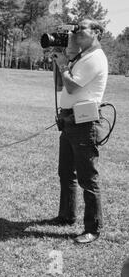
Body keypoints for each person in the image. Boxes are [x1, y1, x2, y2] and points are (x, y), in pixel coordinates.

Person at [52, 19, 108, 244]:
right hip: (69, 120)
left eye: (81, 28)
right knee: (66, 172)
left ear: (96, 32)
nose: (76, 32)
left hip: (85, 124)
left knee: (88, 178)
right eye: (75, 29)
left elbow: (73, 85)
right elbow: (62, 86)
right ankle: (66, 215)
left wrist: (65, 64)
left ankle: (93, 228)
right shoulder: (81, 57)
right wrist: (62, 62)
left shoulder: (95, 57)